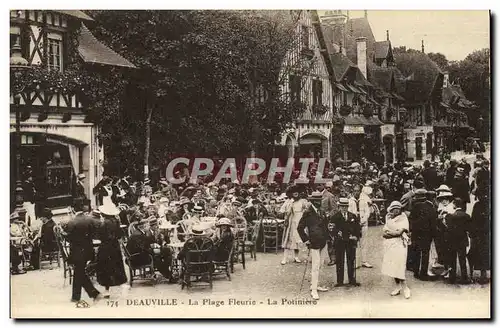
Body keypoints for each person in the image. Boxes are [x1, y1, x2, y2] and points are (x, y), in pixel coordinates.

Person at [64, 200, 102, 303]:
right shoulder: (89, 220)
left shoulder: (72, 222)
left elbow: (68, 238)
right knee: (79, 272)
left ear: (72, 209)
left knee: (79, 272)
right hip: (88, 250)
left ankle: (82, 296)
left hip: (77, 252)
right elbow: (94, 234)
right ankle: (89, 294)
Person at [297, 192, 330, 300]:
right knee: (315, 266)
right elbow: (299, 228)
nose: (318, 202)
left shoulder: (322, 211)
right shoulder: (307, 213)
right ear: (312, 201)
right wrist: (306, 240)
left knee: (320, 265)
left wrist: (328, 235)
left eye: (320, 199)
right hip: (314, 242)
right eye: (316, 200)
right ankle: (314, 290)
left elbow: (325, 225)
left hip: (323, 241)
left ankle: (315, 284)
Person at [95, 203, 128, 298]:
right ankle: (121, 283)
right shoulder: (116, 221)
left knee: (105, 268)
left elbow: (99, 236)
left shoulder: (103, 223)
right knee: (116, 265)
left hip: (105, 247)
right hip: (115, 246)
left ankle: (107, 289)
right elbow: (120, 234)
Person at [381, 201, 411, 299]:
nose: (396, 210)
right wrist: (393, 232)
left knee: (400, 265)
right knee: (393, 266)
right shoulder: (388, 218)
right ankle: (398, 286)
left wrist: (391, 233)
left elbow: (400, 232)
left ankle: (406, 288)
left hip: (400, 244)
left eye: (398, 208)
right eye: (394, 209)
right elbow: (384, 233)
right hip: (390, 245)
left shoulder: (403, 217)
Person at [331, 198, 361, 287]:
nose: (344, 208)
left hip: (350, 241)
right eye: (342, 206)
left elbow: (358, 228)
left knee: (351, 260)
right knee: (339, 261)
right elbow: (331, 228)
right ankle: (340, 281)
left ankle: (352, 280)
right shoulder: (335, 217)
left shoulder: (353, 216)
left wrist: (356, 236)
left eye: (346, 206)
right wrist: (336, 233)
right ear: (339, 207)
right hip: (339, 242)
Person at [444, 198, 472, 284]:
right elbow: (469, 229)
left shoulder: (450, 216)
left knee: (452, 259)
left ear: (455, 205)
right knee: (462, 259)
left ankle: (452, 278)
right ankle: (464, 277)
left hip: (452, 240)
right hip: (462, 240)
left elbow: (447, 228)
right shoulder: (467, 216)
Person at [279, 185, 307, 265]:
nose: (295, 194)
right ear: (291, 193)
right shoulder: (288, 201)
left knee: (298, 240)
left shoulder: (302, 201)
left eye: (297, 192)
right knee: (288, 240)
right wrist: (288, 208)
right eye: (294, 192)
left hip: (300, 223)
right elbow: (281, 210)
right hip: (291, 223)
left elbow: (308, 209)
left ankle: (296, 257)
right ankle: (284, 258)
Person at [469, 189, 490, 284]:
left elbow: (473, 220)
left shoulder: (477, 205)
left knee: (479, 253)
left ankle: (477, 274)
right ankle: (483, 274)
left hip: (480, 234)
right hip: (485, 233)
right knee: (485, 253)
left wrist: (472, 233)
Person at [357, 185, 373, 268]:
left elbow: (367, 213)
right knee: (358, 243)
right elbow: (368, 213)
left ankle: (363, 260)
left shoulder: (364, 200)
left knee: (363, 242)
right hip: (358, 224)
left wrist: (362, 221)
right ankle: (358, 261)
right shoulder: (363, 200)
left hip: (363, 224)